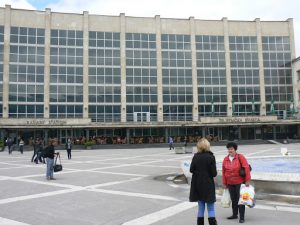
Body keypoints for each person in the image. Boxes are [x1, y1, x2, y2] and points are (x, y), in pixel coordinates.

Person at [189, 138, 217, 225]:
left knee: (200, 208)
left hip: (198, 185)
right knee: (211, 208)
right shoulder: (211, 157)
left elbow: (191, 170)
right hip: (208, 185)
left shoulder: (196, 156)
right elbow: (214, 173)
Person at [222, 142, 251, 224]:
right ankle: (234, 214)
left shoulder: (240, 157)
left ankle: (242, 217)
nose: (230, 150)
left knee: (240, 200)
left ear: (235, 149)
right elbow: (224, 171)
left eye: (231, 149)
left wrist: (247, 180)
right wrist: (224, 183)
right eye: (228, 149)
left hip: (239, 182)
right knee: (233, 199)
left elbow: (246, 168)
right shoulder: (225, 159)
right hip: (230, 183)